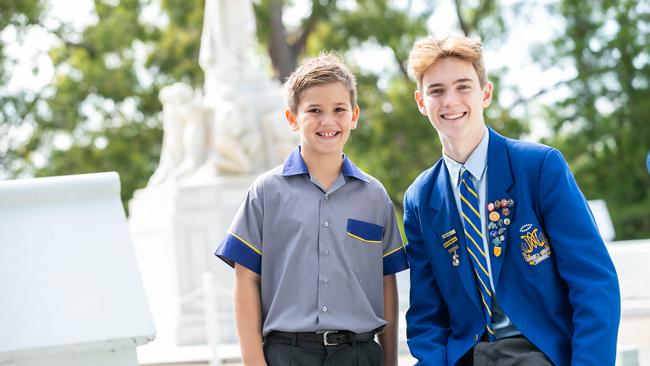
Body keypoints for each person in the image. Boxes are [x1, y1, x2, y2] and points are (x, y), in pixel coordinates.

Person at [402, 35, 620, 366]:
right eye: (436, 91)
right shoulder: (421, 198)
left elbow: (594, 283)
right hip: (468, 355)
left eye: (463, 86)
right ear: (421, 101)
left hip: (539, 352)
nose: (450, 100)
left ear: (485, 93)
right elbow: (426, 314)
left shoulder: (539, 167)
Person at [215, 54, 409, 366]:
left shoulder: (374, 197)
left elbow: (387, 282)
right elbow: (246, 280)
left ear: (354, 115)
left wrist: (390, 361)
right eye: (314, 111)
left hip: (359, 355)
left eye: (339, 110)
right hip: (287, 354)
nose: (328, 121)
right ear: (292, 118)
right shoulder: (266, 192)